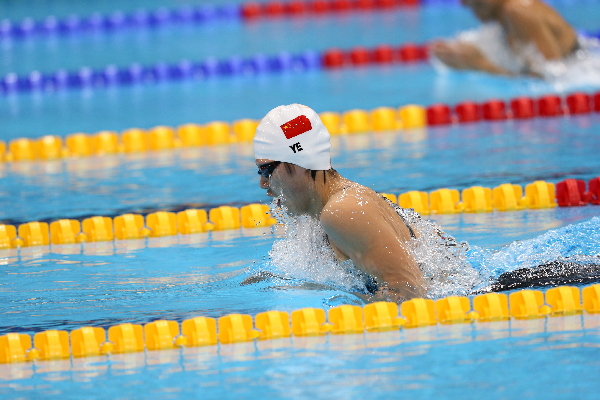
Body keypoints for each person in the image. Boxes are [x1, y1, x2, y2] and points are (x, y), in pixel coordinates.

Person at [253, 103, 428, 302]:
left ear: (299, 162)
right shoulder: (328, 209)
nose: (263, 183)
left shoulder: (343, 210)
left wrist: (323, 295)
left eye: (266, 170)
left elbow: (409, 293)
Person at [430, 0, 579, 76]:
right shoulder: (503, 18)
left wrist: (479, 64)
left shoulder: (518, 11)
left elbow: (553, 79)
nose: (463, 3)